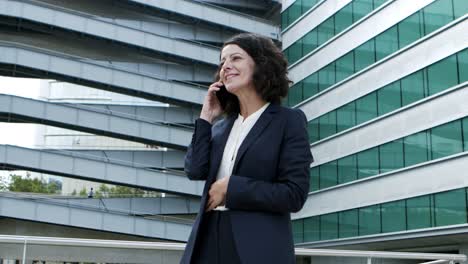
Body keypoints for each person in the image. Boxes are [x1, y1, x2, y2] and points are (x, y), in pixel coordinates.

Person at [181, 33, 313, 264]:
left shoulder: (288, 121)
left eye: (236, 58)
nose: (226, 67)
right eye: (222, 62)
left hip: (257, 248)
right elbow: (194, 169)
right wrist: (206, 118)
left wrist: (232, 188)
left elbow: (294, 194)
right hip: (208, 240)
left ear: (260, 64)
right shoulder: (221, 127)